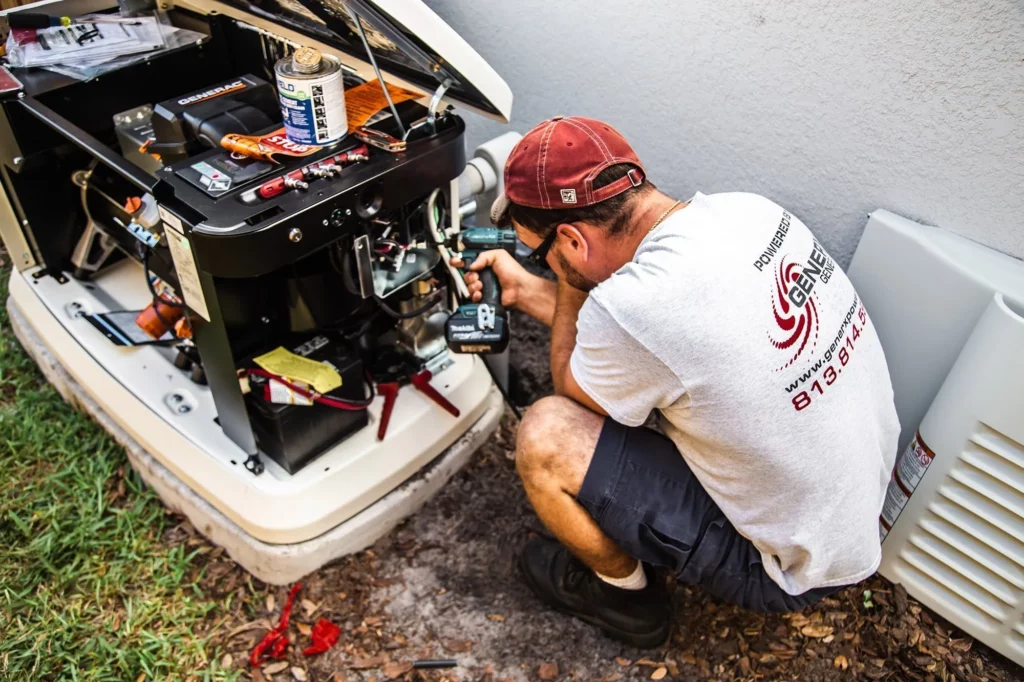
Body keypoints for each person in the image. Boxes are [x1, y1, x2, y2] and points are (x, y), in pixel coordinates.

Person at [456, 116, 900, 649]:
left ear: (573, 240)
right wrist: (528, 289)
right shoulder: (748, 212)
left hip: (790, 569)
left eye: (541, 252)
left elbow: (575, 387)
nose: (542, 263)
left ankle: (628, 601)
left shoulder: (633, 307)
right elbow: (643, 345)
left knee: (547, 434)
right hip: (861, 509)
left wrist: (572, 285)